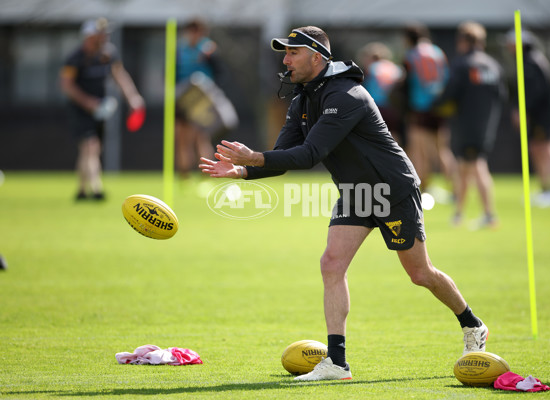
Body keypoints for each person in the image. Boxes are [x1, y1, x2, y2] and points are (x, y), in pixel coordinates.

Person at [200, 26, 488, 381]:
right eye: (285, 53)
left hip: (391, 190)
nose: (286, 60)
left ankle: (472, 325)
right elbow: (283, 158)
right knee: (331, 263)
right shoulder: (302, 100)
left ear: (317, 57)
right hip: (355, 193)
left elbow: (309, 155)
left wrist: (254, 158)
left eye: (292, 53)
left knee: (420, 274)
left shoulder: (346, 94)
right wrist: (243, 170)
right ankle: (337, 363)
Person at [60, 17, 145, 200]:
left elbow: (120, 75)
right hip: (80, 109)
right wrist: (88, 102)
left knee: (92, 148)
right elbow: (67, 86)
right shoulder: (75, 58)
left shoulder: (108, 54)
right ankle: (97, 188)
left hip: (100, 109)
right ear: (90, 36)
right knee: (90, 145)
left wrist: (133, 98)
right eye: (101, 34)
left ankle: (81, 190)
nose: (105, 37)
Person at [434, 22, 505, 228]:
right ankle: (458, 214)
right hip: (487, 122)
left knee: (477, 166)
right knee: (466, 167)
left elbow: (449, 93)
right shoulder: (493, 65)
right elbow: (502, 95)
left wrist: (434, 104)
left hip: (466, 124)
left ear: (464, 41)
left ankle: (490, 215)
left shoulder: (462, 64)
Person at [506, 30, 550, 207]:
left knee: (547, 148)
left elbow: (535, 92)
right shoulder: (530, 60)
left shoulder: (531, 62)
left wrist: (522, 110)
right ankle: (546, 189)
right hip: (541, 114)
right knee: (537, 149)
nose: (509, 48)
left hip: (544, 115)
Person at [402, 23, 457, 200]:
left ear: (408, 38)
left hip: (420, 107)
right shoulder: (438, 52)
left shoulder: (411, 55)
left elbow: (406, 82)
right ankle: (455, 189)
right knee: (442, 150)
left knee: (419, 150)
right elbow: (447, 77)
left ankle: (424, 190)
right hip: (439, 106)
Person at [174, 18, 222, 180]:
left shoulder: (209, 49)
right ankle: (184, 177)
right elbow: (170, 74)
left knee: (201, 138)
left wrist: (210, 57)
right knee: (182, 139)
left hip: (202, 97)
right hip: (183, 96)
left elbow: (220, 73)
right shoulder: (180, 50)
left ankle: (206, 176)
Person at [358, 42, 404, 144]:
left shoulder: (371, 69)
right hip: (393, 109)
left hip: (376, 109)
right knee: (394, 137)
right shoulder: (395, 68)